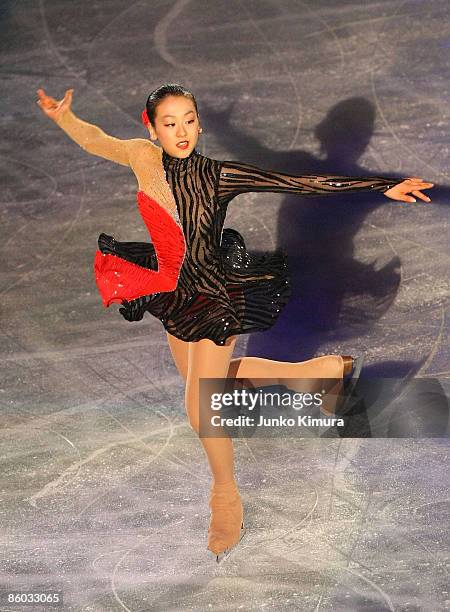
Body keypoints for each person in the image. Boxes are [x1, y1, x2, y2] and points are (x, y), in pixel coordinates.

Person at [36, 84, 433, 561]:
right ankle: (320, 373)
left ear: (198, 123)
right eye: (170, 122)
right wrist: (65, 120)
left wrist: (378, 187)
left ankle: (226, 496)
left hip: (211, 294)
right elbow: (98, 140)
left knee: (200, 406)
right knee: (209, 385)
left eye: (190, 120)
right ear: (152, 127)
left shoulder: (219, 176)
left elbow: (298, 181)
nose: (181, 131)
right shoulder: (142, 158)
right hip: (171, 291)